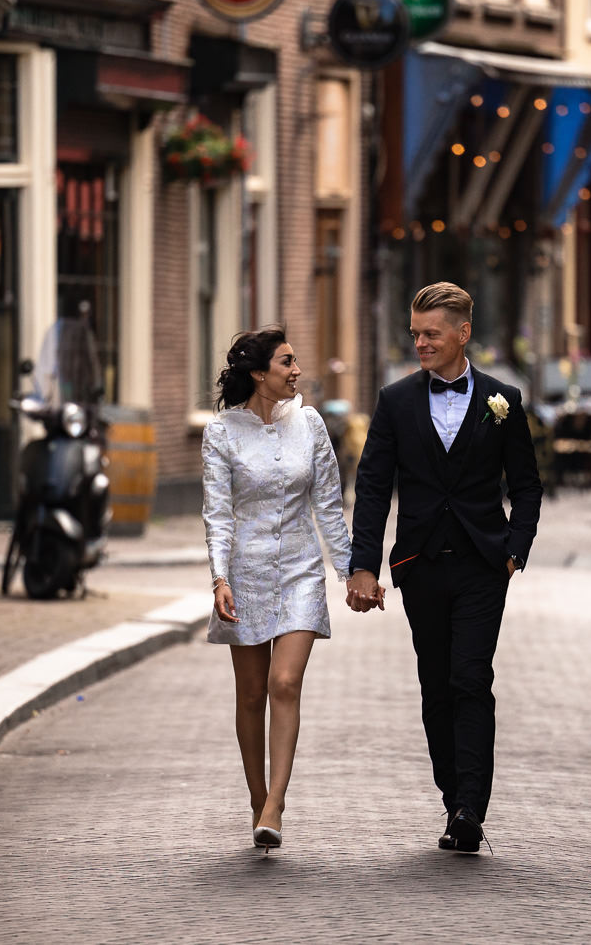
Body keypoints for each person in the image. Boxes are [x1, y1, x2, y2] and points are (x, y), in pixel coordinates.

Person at [347, 282, 543, 854]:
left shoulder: (503, 399)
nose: (421, 343)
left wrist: (515, 548)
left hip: (484, 565)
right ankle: (451, 793)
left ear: (462, 334)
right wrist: (364, 566)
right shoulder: (396, 400)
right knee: (436, 685)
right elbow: (374, 488)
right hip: (421, 565)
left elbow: (527, 486)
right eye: (415, 334)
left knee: (470, 679)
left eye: (431, 334)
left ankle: (469, 810)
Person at [201, 328, 352, 852]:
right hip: (244, 573)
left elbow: (329, 506)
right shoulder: (221, 433)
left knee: (285, 682)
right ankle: (255, 796)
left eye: (295, 360)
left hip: (300, 570)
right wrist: (219, 577)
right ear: (259, 374)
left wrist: (349, 571)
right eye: (287, 362)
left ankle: (276, 805)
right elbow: (218, 514)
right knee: (251, 693)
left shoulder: (310, 424)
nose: (297, 370)